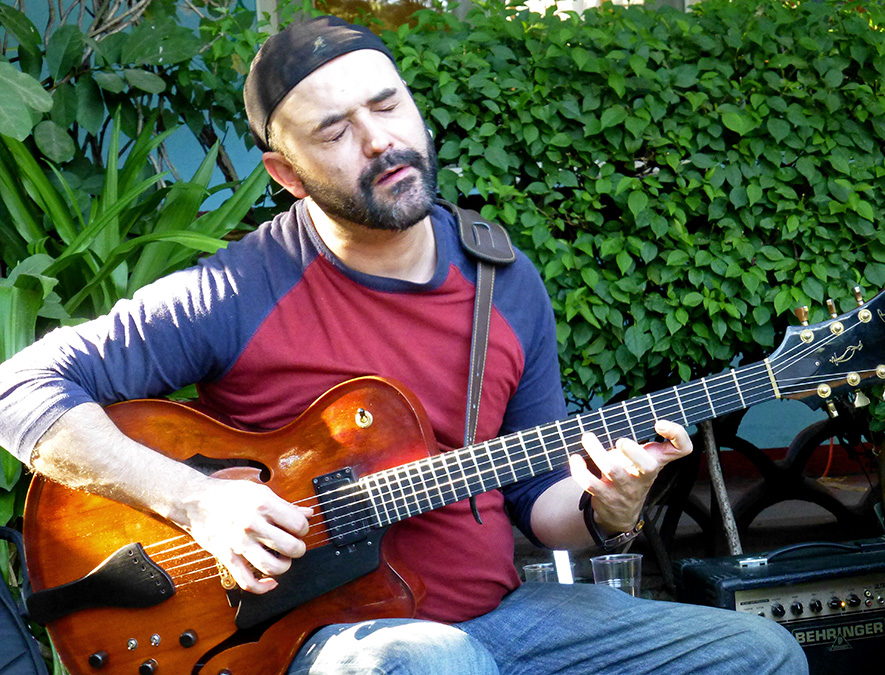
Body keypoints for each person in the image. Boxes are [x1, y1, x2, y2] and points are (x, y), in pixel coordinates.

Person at [0, 14, 806, 675]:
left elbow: (537, 501)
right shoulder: (239, 290)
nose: (379, 140)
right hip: (323, 640)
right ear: (286, 174)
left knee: (762, 652)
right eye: (335, 131)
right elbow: (19, 391)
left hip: (506, 619)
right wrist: (199, 502)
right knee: (435, 660)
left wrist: (608, 507)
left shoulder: (505, 283)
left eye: (387, 106)